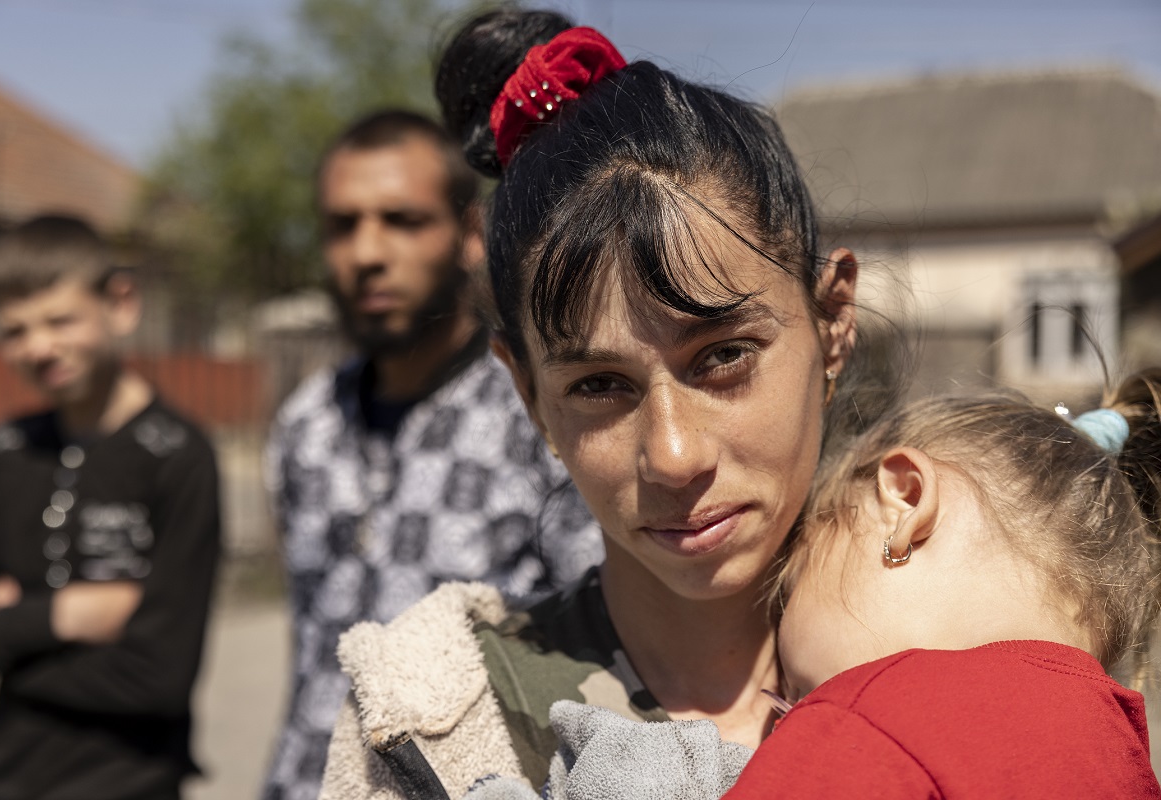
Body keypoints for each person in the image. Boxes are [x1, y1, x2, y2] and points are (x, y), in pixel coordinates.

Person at [318, 11, 900, 799]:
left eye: (723, 357)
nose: (673, 454)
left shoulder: (973, 648)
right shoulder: (435, 726)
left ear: (832, 324)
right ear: (528, 394)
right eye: (598, 385)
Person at [465, 372, 1161, 799]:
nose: (787, 708)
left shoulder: (869, 713)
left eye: (794, 580)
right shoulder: (1119, 743)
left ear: (903, 501)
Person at [261, 109, 603, 800]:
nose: (367, 252)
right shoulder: (305, 426)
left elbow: (604, 645)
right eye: (342, 225)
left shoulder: (536, 418)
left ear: (470, 235)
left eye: (403, 220)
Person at [0, 214, 221, 800]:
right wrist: (64, 617)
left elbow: (160, 676)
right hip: (8, 779)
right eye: (15, 330)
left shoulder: (178, 456)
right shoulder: (1, 452)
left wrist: (5, 630)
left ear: (120, 304)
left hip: (131, 780)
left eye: (59, 320)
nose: (39, 348)